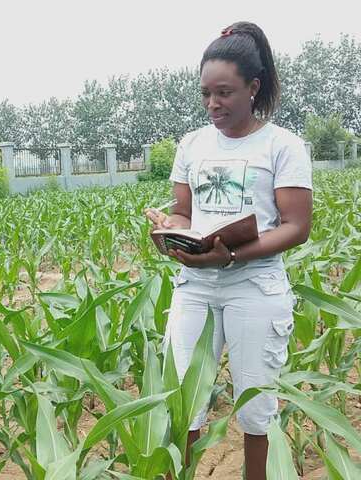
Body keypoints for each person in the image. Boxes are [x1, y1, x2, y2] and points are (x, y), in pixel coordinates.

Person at [146, 22, 312, 480]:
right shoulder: (192, 144)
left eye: (225, 92)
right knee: (183, 400)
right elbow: (183, 210)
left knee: (256, 406)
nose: (213, 104)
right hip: (195, 286)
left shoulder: (283, 146)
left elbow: (297, 226)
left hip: (254, 287)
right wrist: (170, 229)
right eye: (206, 94)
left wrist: (234, 256)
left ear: (253, 87)